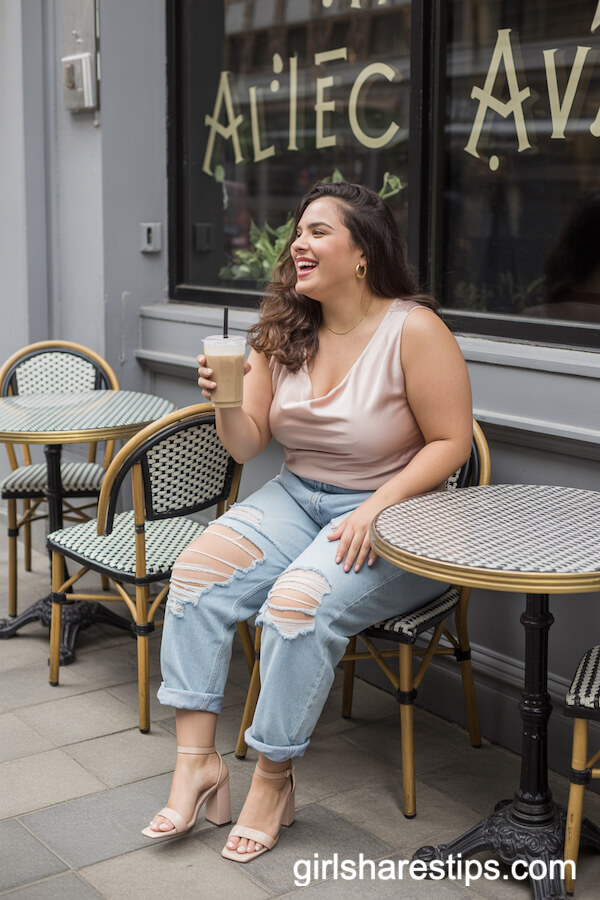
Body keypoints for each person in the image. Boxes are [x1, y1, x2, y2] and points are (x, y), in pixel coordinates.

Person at [143, 181, 473, 861]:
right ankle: (197, 765)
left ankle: (273, 779)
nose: (300, 241)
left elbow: (452, 443)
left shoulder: (413, 329)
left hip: (397, 514)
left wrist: (377, 506)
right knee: (197, 574)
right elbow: (246, 445)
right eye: (299, 231)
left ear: (363, 252)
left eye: (319, 231)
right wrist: (226, 400)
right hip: (296, 498)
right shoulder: (282, 328)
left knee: (295, 606)